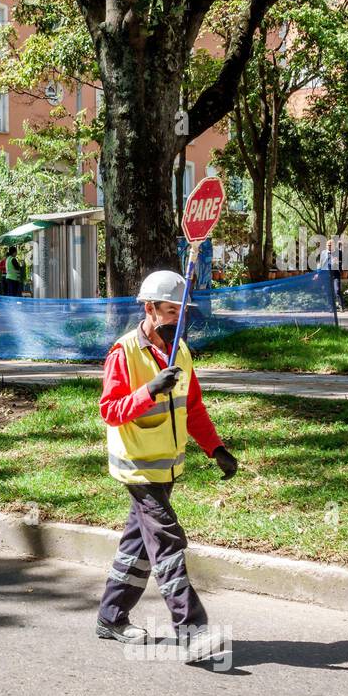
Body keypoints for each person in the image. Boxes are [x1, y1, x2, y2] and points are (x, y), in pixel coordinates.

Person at [95, 269, 238, 663]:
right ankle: (192, 631)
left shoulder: (183, 353)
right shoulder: (123, 353)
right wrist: (149, 390)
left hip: (167, 468)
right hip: (138, 469)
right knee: (168, 543)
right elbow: (110, 410)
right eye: (169, 309)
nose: (176, 317)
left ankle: (111, 617)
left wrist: (215, 448)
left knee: (138, 547)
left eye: (181, 310)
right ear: (150, 309)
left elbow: (192, 408)